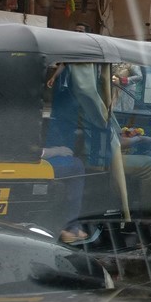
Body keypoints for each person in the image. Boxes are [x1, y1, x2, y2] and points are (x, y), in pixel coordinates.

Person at [43, 64, 88, 243]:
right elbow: (33, 151)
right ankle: (69, 226)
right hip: (30, 162)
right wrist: (57, 151)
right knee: (77, 166)